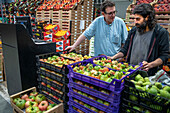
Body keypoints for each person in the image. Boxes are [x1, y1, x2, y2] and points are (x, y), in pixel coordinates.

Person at [109, 3, 169, 76]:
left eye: (138, 19)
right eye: (134, 19)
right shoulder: (133, 31)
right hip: (130, 71)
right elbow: (125, 50)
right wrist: (113, 57)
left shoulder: (160, 33)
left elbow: (164, 55)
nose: (135, 22)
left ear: (147, 17)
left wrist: (151, 65)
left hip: (148, 75)